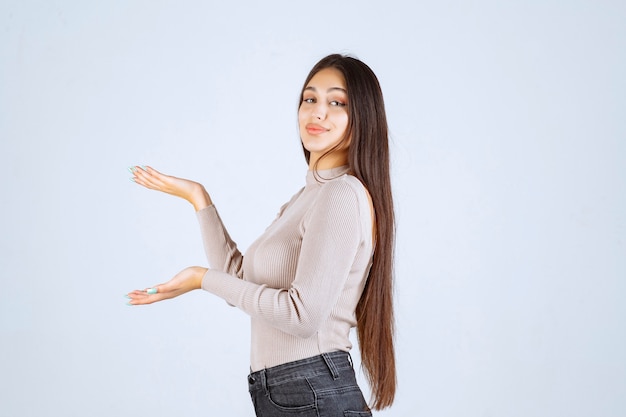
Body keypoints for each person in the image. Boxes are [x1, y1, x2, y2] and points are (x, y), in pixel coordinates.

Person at [126, 53, 396, 416]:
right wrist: (198, 198)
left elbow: (302, 317)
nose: (318, 112)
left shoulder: (341, 195)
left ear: (362, 117)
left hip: (311, 389)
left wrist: (200, 279)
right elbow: (240, 281)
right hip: (291, 392)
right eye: (310, 99)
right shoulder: (308, 197)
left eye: (337, 103)